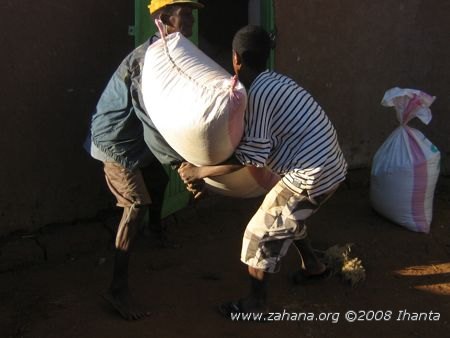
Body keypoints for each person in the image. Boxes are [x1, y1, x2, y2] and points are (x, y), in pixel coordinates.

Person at [178, 25, 348, 318]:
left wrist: (199, 171)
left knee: (261, 233)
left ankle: (255, 304)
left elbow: (252, 159)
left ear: (236, 58)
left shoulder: (258, 95)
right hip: (329, 167)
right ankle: (315, 268)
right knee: (286, 217)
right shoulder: (273, 82)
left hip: (312, 175)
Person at [85, 0, 204, 320]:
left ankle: (155, 233)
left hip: (135, 138)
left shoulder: (168, 54)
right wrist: (183, 165)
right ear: (165, 19)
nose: (192, 20)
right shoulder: (147, 61)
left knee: (158, 181)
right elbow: (151, 120)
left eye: (192, 13)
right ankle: (116, 290)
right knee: (135, 204)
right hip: (116, 142)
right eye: (186, 14)